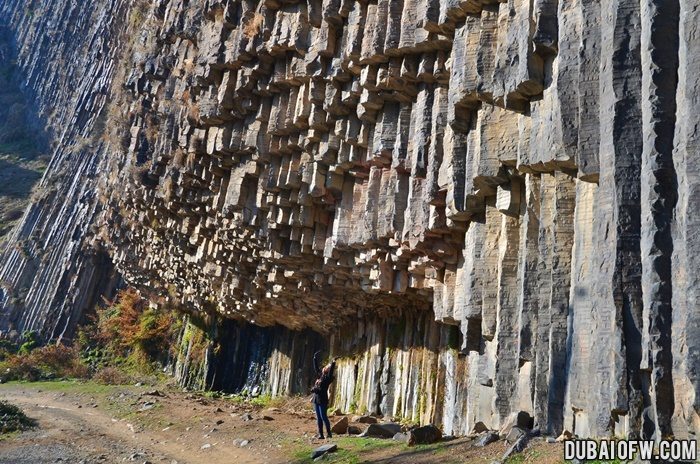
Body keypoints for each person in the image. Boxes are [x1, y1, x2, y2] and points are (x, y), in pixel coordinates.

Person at [311, 350, 336, 439]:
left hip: (322, 399)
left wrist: (333, 364)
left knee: (323, 417)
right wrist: (314, 358)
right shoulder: (320, 376)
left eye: (328, 368)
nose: (326, 367)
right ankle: (321, 434)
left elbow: (331, 373)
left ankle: (329, 434)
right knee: (318, 418)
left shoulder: (327, 378)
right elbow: (316, 368)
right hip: (316, 399)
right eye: (326, 366)